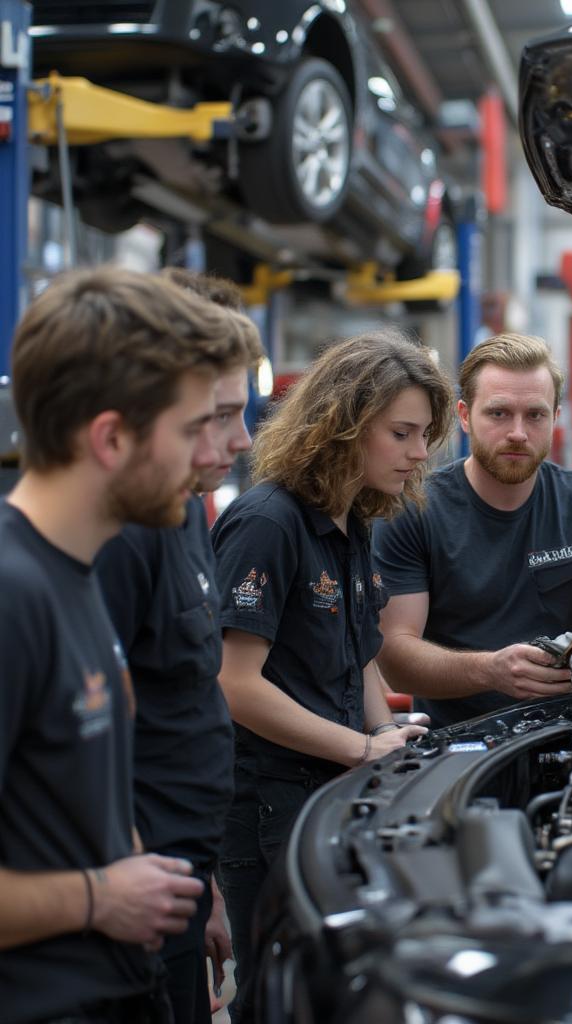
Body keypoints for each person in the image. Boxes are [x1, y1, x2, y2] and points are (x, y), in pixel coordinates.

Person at [0, 266, 247, 1024]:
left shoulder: (72, 575)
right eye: (190, 430)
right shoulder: (14, 596)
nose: (212, 453)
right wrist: (100, 898)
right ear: (110, 437)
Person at [210, 327, 452, 1022]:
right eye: (402, 433)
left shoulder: (352, 522)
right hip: (269, 805)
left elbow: (358, 653)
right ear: (343, 425)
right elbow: (234, 683)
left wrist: (388, 732)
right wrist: (360, 749)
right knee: (280, 999)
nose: (418, 454)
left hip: (329, 792)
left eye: (425, 434)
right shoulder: (268, 523)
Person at [94, 270, 264, 1024]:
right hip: (127, 901)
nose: (240, 439)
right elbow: (97, 748)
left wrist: (205, 888)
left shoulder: (185, 512)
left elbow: (184, 694)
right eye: (218, 414)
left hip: (176, 879)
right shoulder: (113, 541)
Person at [374, 332, 572, 728]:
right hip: (456, 742)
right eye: (499, 413)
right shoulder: (414, 509)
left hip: (559, 733)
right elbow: (396, 654)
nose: (518, 432)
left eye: (535, 415)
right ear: (465, 416)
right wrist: (489, 670)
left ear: (556, 418)